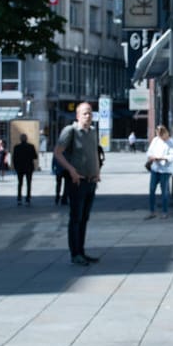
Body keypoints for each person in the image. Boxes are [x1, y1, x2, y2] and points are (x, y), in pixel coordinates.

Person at [53, 101, 104, 265]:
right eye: (85, 113)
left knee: (84, 218)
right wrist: (71, 170)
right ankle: (75, 254)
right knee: (75, 218)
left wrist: (97, 172)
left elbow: (95, 152)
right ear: (77, 115)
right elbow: (58, 153)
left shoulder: (93, 131)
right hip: (77, 181)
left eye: (90, 113)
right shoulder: (71, 131)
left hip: (91, 181)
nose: (88, 116)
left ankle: (81, 251)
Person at [145, 124, 173, 219]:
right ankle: (152, 211)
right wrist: (151, 157)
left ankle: (165, 212)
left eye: (161, 134)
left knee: (164, 191)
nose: (160, 137)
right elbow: (149, 151)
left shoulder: (170, 142)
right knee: (151, 189)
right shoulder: (156, 140)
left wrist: (163, 158)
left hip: (165, 170)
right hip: (155, 168)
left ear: (165, 133)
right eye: (158, 134)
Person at [12, 133, 38, 204]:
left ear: (20, 139)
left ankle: (19, 198)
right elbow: (35, 156)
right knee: (28, 183)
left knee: (20, 183)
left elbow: (14, 158)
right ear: (26, 139)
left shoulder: (16, 147)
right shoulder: (31, 146)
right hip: (29, 167)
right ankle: (28, 198)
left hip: (20, 168)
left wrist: (15, 167)